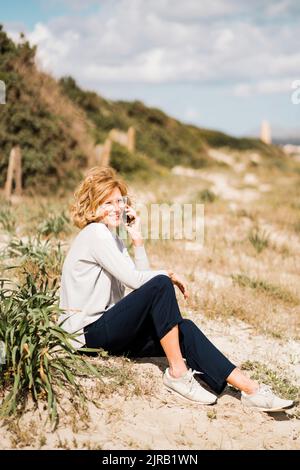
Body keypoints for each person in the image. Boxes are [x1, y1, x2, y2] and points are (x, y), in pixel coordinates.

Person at [59, 166, 294, 412]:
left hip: (106, 333)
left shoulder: (113, 238)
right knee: (160, 284)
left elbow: (141, 279)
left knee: (185, 329)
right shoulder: (95, 233)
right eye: (107, 202)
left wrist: (137, 240)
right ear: (92, 206)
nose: (117, 207)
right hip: (86, 336)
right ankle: (177, 374)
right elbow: (140, 282)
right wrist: (167, 275)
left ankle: (250, 390)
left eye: (120, 201)